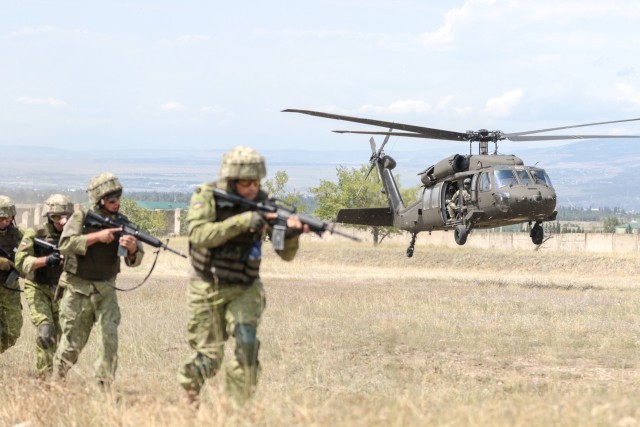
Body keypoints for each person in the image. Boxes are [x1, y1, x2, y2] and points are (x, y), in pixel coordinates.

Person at [177, 146, 309, 405]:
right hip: (207, 285)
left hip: (245, 287)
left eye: (256, 182)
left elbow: (286, 255)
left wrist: (291, 234)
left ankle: (237, 410)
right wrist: (244, 221)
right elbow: (199, 235)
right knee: (209, 358)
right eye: (246, 182)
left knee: (247, 344)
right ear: (231, 179)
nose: (252, 188)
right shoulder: (208, 197)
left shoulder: (265, 203)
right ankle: (189, 391)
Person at [53, 173, 144, 387]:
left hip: (106, 290)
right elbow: (65, 245)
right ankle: (56, 380)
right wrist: (96, 238)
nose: (117, 203)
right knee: (73, 343)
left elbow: (136, 259)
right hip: (78, 289)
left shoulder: (124, 223)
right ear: (100, 199)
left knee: (109, 338)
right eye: (112, 199)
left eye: (118, 198)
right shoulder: (81, 218)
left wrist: (132, 249)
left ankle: (104, 385)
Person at [15, 194, 74, 377]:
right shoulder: (36, 233)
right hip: (38, 287)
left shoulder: (75, 236)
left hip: (63, 289)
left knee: (63, 339)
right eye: (56, 217)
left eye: (65, 217)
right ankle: (44, 379)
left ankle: (61, 378)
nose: (61, 222)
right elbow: (21, 262)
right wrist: (46, 260)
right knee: (45, 332)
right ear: (49, 216)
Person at [0, 196, 24, 354]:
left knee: (12, 332)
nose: (4, 223)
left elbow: (29, 254)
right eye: (1, 219)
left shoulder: (18, 235)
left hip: (10, 288)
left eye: (8, 220)